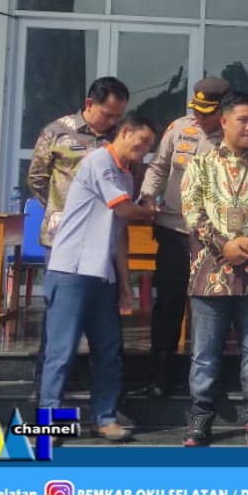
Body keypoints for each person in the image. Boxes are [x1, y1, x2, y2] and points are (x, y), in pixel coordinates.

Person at [38, 113, 157, 442]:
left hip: (103, 274)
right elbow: (124, 210)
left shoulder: (126, 175)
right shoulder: (100, 160)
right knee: (61, 351)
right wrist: (149, 211)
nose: (144, 151)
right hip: (71, 270)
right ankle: (49, 421)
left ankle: (105, 418)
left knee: (108, 350)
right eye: (142, 142)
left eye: (149, 146)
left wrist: (125, 282)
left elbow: (119, 232)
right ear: (126, 132)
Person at [181, 91, 248, 447]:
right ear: (224, 121)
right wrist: (223, 245)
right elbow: (192, 212)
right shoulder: (200, 164)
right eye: (243, 120)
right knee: (205, 354)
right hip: (210, 274)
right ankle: (200, 416)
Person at [26, 77, 130, 398]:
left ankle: (105, 399)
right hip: (62, 240)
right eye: (107, 114)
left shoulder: (118, 139)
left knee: (103, 323)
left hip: (102, 241)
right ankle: (45, 388)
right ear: (89, 105)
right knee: (58, 319)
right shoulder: (58, 131)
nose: (112, 121)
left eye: (118, 116)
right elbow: (37, 178)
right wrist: (64, 211)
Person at [138, 77, 229, 395]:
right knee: (169, 302)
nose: (199, 117)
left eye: (207, 112)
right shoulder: (179, 128)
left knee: (212, 306)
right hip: (174, 228)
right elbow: (158, 168)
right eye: (197, 110)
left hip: (214, 236)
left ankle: (207, 377)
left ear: (223, 110)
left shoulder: (233, 136)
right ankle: (160, 373)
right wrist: (147, 197)